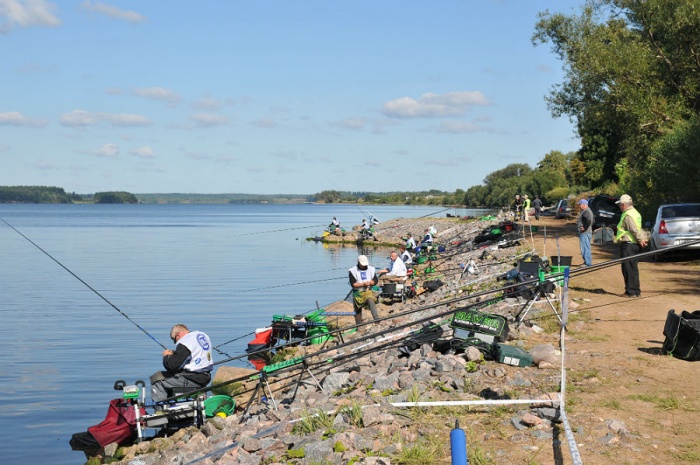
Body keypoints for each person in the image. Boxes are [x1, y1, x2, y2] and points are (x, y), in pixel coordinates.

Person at [151, 324, 213, 403]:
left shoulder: (185, 341)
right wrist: (175, 354)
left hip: (192, 379)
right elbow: (192, 354)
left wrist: (166, 356)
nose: (175, 343)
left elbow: (172, 366)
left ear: (178, 335)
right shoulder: (201, 335)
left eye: (174, 340)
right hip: (205, 376)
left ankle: (161, 411)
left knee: (157, 380)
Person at [614, 194, 648, 298]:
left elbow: (633, 229)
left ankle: (630, 291)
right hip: (634, 245)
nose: (620, 206)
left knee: (628, 268)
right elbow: (638, 228)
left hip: (628, 244)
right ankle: (636, 291)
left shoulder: (628, 215)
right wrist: (641, 239)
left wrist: (640, 239)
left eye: (620, 204)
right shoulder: (635, 213)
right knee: (633, 268)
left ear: (624, 205)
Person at [348, 255, 379, 324]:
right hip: (357, 292)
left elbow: (375, 279)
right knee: (357, 310)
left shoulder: (371, 269)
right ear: (358, 262)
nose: (364, 266)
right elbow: (353, 284)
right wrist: (363, 284)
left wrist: (372, 282)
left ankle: (376, 319)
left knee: (370, 300)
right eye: (362, 265)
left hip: (367, 291)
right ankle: (358, 324)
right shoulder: (352, 271)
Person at [577, 198, 594, 267]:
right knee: (585, 247)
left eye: (580, 204)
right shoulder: (586, 211)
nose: (579, 206)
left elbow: (589, 220)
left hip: (585, 232)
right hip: (586, 232)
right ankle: (586, 262)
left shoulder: (586, 211)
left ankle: (588, 263)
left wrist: (584, 227)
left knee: (585, 248)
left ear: (584, 205)